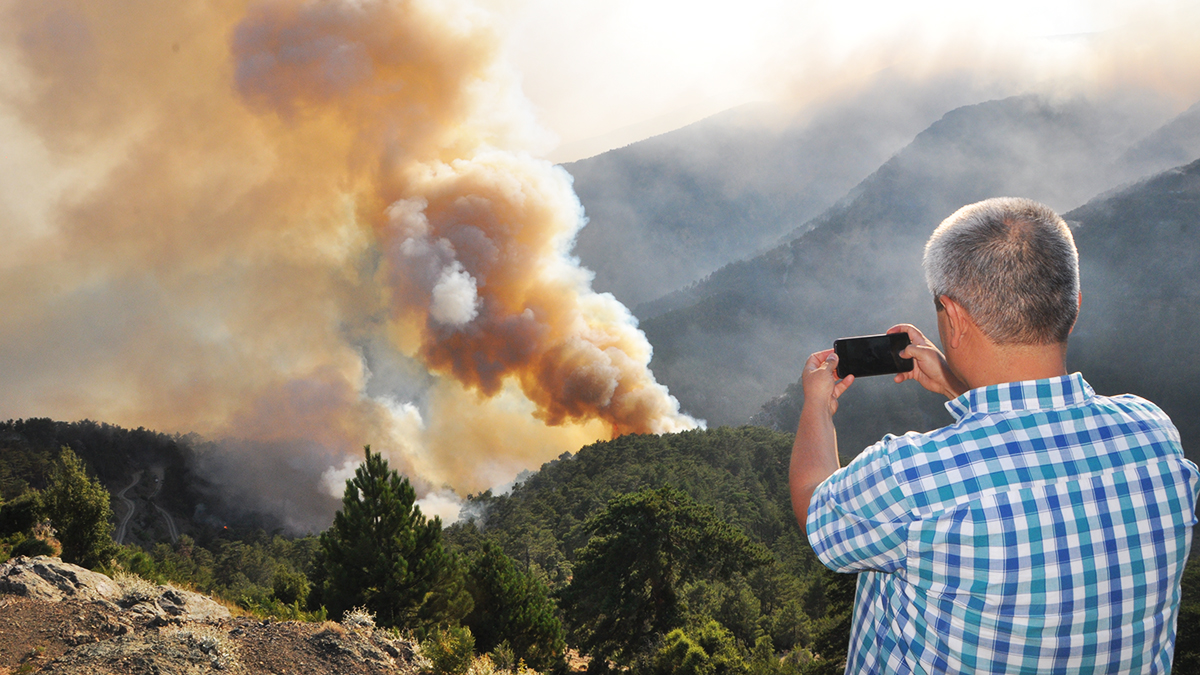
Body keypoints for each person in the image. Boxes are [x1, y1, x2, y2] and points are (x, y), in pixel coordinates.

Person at [791, 197, 1199, 674]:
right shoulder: (1153, 437)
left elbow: (814, 504)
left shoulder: (911, 479)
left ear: (954, 318)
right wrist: (955, 382)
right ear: (1074, 307)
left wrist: (816, 405)